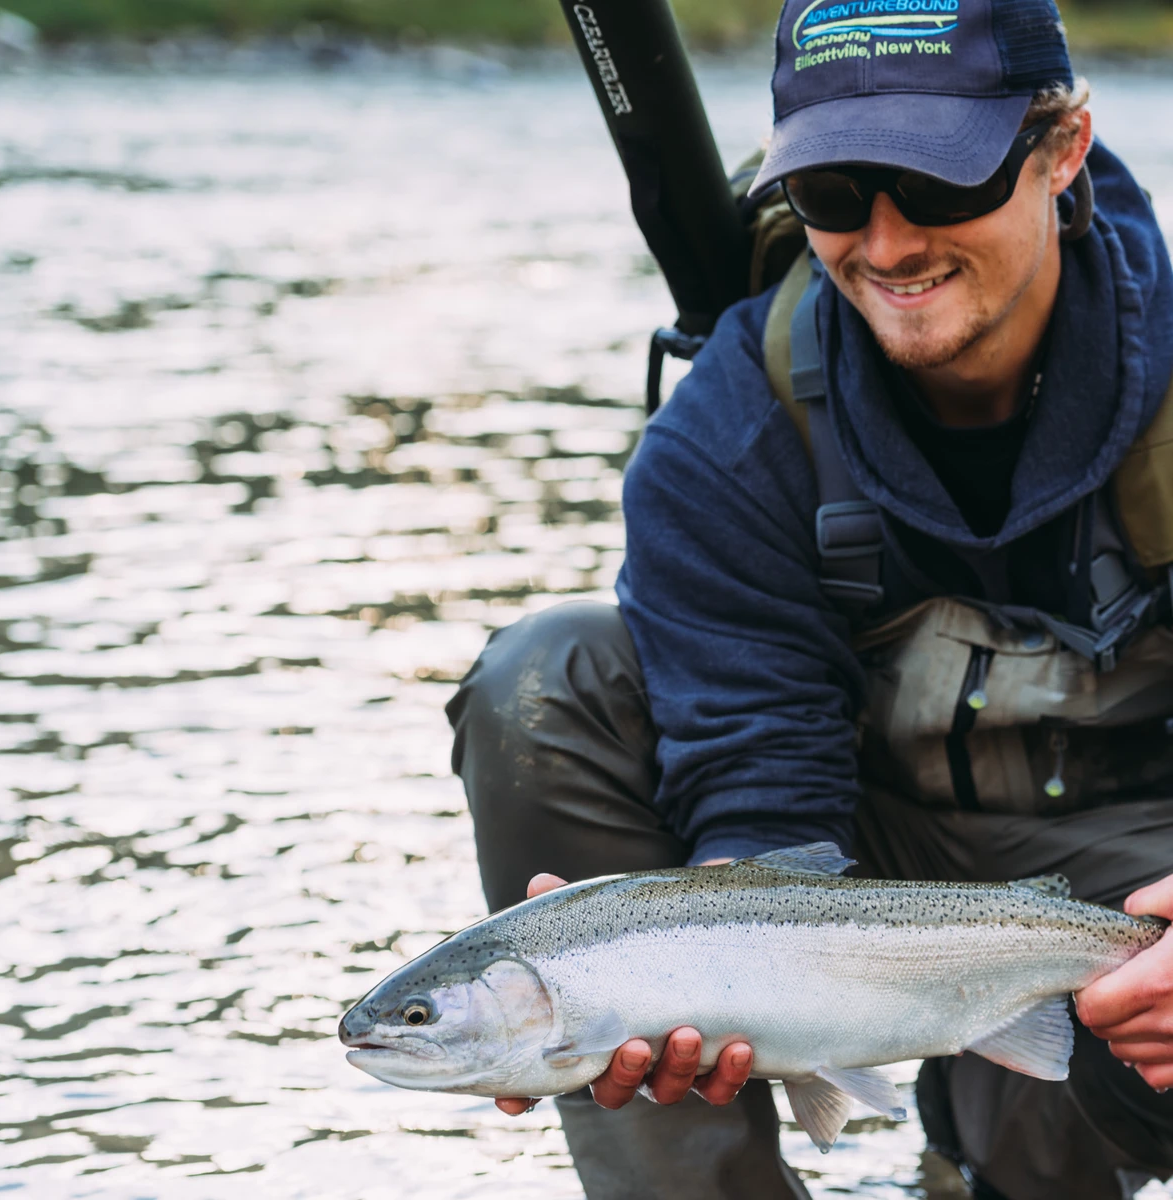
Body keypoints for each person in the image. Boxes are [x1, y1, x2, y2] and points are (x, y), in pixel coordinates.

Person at [445, 0, 1173, 1196]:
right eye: (832, 193)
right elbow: (759, 777)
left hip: (1135, 858)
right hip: (859, 863)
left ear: (1063, 150)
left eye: (937, 183)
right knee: (547, 678)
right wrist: (665, 956)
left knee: (1032, 1167)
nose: (886, 245)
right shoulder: (727, 432)